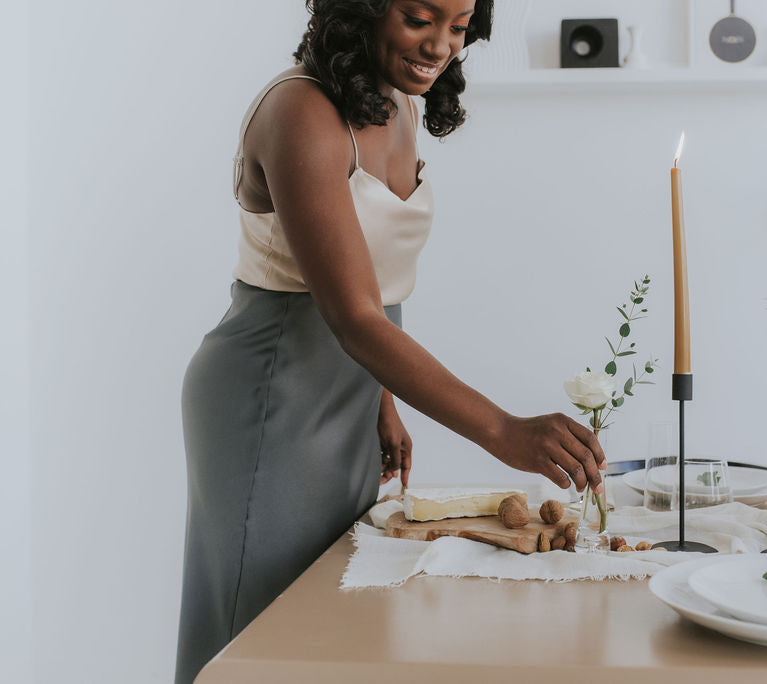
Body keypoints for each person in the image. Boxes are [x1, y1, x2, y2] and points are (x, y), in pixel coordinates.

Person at [175, 0, 605, 681]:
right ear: (363, 10)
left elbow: (369, 285)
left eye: (459, 26)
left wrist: (378, 398)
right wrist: (505, 432)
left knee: (332, 620)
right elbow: (352, 315)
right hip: (271, 398)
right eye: (418, 17)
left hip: (350, 386)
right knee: (260, 631)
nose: (439, 45)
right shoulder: (300, 115)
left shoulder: (398, 102)